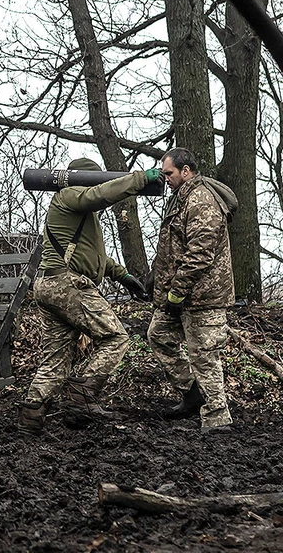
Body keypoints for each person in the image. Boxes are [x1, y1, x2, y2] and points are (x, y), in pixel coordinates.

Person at [18, 158, 153, 435]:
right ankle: (81, 397)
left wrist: (122, 276)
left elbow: (96, 256)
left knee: (55, 359)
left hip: (51, 285)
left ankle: (31, 418)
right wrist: (140, 179)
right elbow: (101, 195)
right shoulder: (69, 196)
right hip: (65, 284)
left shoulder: (80, 213)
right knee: (116, 338)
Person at [147, 147, 237, 433]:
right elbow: (174, 247)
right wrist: (157, 280)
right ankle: (192, 395)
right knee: (158, 335)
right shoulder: (181, 198)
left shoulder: (201, 200)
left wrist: (176, 291)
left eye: (169, 173)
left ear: (186, 171)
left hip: (204, 297)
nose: (166, 179)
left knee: (205, 356)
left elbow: (200, 253)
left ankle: (217, 420)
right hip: (184, 295)